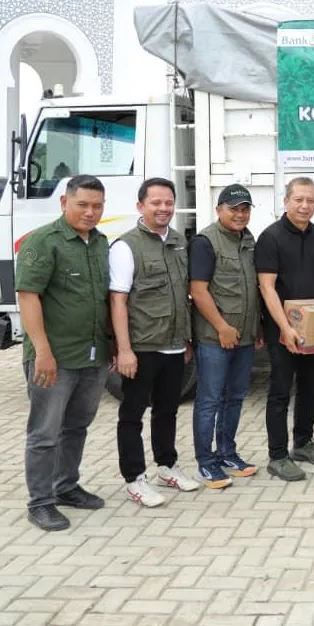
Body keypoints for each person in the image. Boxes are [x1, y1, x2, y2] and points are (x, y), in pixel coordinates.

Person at [16, 175, 111, 531]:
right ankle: (40, 502)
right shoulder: (43, 242)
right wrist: (42, 351)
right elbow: (28, 297)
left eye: (97, 206)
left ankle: (66, 486)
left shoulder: (100, 243)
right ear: (63, 203)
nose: (90, 212)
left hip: (92, 355)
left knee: (77, 427)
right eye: (82, 204)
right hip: (54, 358)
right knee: (44, 434)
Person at [110, 178, 201, 508]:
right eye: (156, 203)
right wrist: (124, 350)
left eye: (168, 203)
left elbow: (183, 295)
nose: (163, 208)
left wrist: (186, 339)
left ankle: (167, 466)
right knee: (132, 414)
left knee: (168, 410)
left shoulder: (178, 242)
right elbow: (118, 300)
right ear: (141, 206)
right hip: (142, 346)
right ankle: (134, 479)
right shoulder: (126, 246)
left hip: (174, 345)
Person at [257, 177, 314, 481]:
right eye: (298, 200)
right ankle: (278, 456)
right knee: (280, 392)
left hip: (313, 330)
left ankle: (303, 443)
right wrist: (285, 328)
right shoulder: (270, 237)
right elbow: (267, 288)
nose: (305, 206)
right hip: (282, 330)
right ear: (286, 201)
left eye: (310, 200)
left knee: (310, 388)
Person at [189, 184, 262, 490]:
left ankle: (227, 454)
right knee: (210, 400)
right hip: (215, 338)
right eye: (234, 209)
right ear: (219, 210)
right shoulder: (205, 241)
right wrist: (221, 326)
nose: (240, 214)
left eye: (245, 209)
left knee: (235, 397)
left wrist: (257, 329)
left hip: (244, 336)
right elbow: (198, 290)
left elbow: (252, 288)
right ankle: (206, 463)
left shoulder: (248, 240)